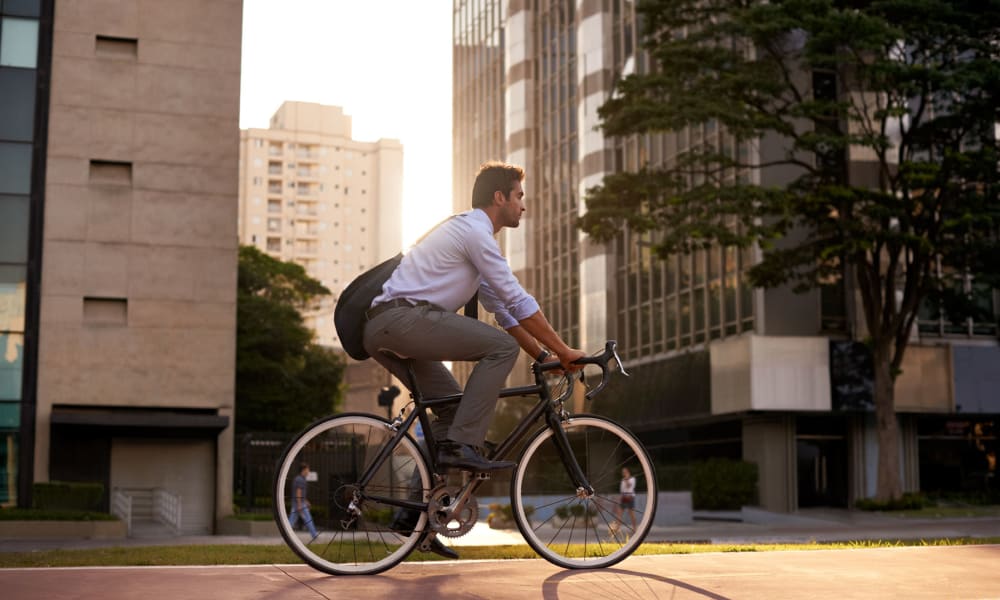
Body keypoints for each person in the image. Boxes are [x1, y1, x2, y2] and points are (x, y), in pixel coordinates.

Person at [363, 160, 586, 558]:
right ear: (499, 197)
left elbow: (505, 310)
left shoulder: (471, 239)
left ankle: (416, 524)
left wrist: (546, 357)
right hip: (401, 319)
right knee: (500, 348)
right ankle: (463, 447)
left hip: (388, 328)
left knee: (451, 414)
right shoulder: (474, 231)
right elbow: (518, 298)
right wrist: (567, 351)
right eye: (519, 196)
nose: (523, 205)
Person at [289, 462, 318, 543]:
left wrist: (306, 501)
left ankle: (286, 533)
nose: (308, 471)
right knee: (308, 519)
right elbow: (298, 492)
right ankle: (314, 534)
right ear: (304, 470)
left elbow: (299, 493)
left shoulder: (299, 479)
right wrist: (299, 504)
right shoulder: (300, 479)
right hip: (299, 504)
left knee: (292, 520)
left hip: (299, 503)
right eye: (308, 469)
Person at [615, 467, 637, 532]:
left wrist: (627, 479)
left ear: (628, 472)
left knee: (632, 514)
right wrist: (620, 497)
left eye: (625, 472)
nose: (623, 473)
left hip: (630, 497)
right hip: (624, 497)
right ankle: (617, 528)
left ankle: (635, 528)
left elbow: (629, 486)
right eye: (623, 472)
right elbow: (622, 490)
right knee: (619, 513)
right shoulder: (622, 480)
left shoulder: (632, 479)